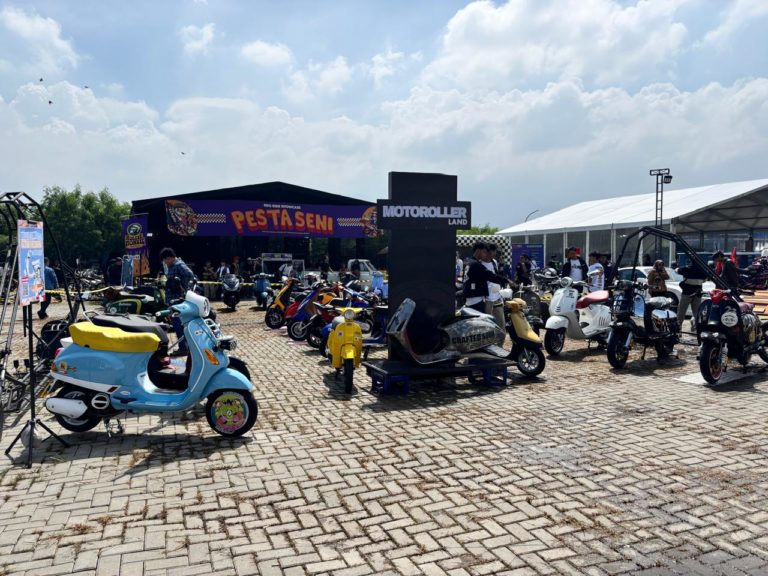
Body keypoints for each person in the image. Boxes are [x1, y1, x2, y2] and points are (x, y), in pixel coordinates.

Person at [160, 247, 195, 354]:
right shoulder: (172, 266)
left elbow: (190, 275)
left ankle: (184, 348)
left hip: (177, 300)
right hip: (173, 299)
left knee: (178, 324)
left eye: (165, 259)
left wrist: (181, 286)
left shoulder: (179, 265)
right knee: (177, 324)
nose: (165, 262)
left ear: (170, 257)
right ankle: (185, 347)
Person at [463, 241, 509, 314]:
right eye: (484, 252)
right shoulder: (476, 264)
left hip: (472, 299)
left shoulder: (469, 262)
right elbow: (491, 276)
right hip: (476, 300)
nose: (485, 254)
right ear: (478, 251)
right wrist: (507, 280)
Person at [676, 259, 708, 330]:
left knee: (682, 310)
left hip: (686, 293)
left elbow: (677, 271)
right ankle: (696, 326)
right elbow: (704, 280)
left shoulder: (687, 269)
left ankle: (678, 326)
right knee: (697, 312)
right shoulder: (703, 270)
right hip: (698, 293)